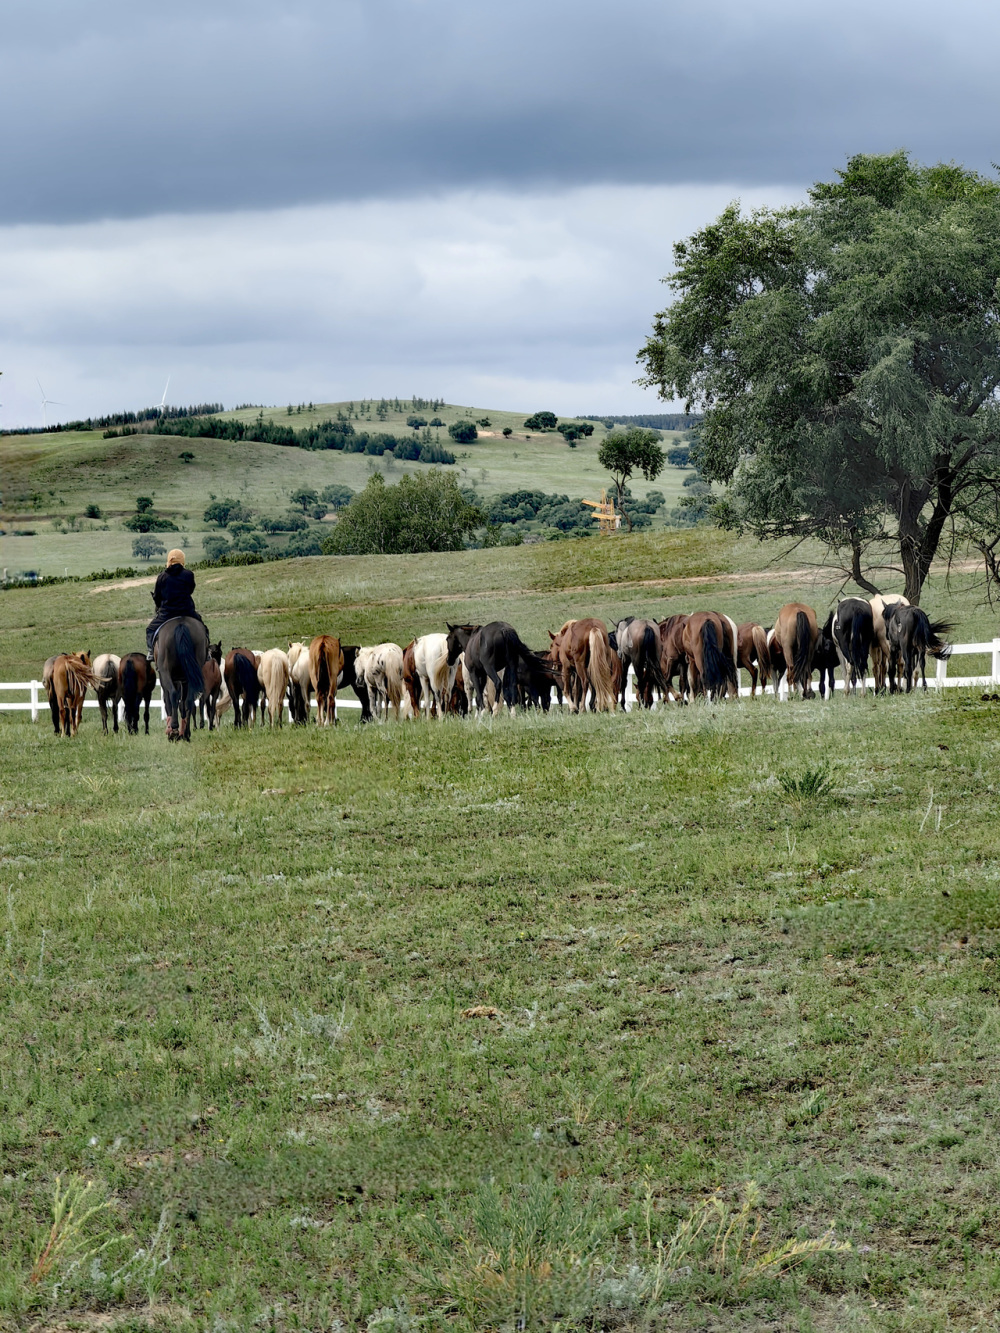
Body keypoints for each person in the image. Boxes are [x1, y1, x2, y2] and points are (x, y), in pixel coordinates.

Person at [146, 549, 208, 661]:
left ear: (169, 561)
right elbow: (190, 589)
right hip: (187, 611)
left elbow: (157, 596)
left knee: (150, 629)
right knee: (203, 628)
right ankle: (207, 652)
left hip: (167, 614)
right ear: (182, 560)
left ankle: (151, 652)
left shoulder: (162, 577)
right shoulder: (189, 574)